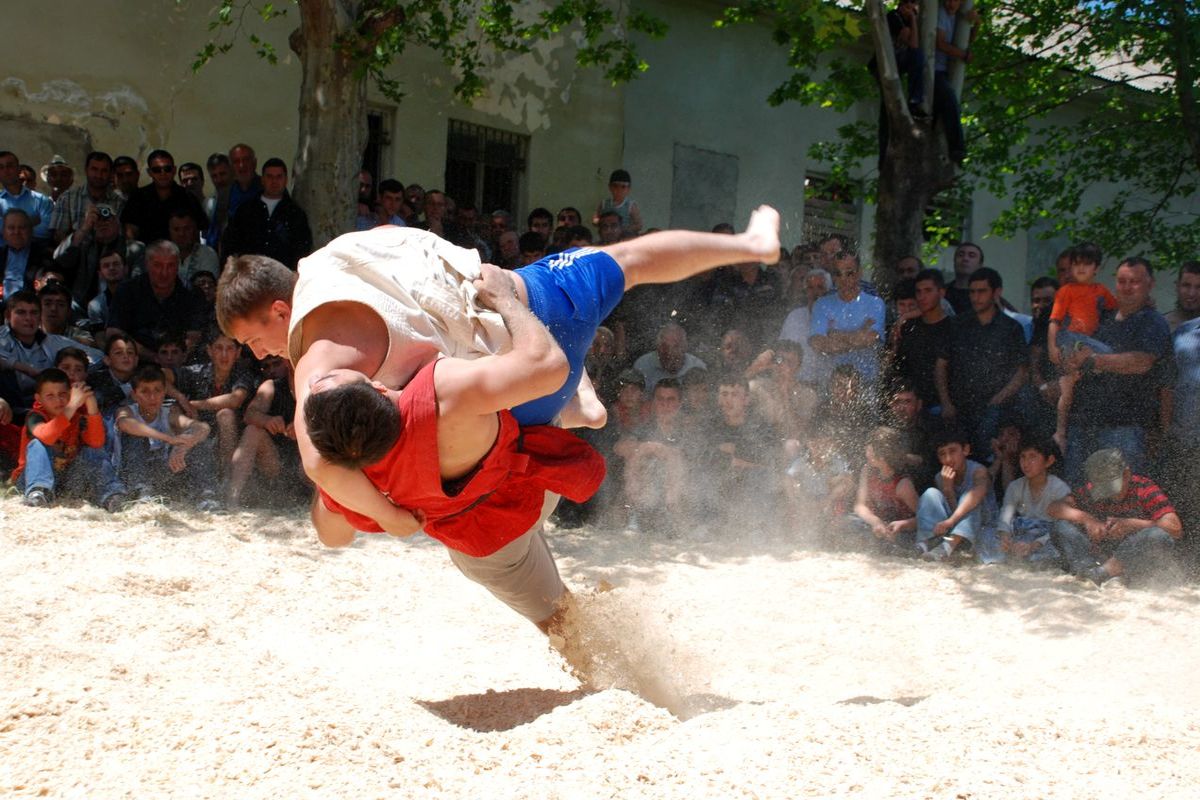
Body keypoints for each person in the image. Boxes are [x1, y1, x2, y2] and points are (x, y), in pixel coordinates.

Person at [217, 208, 782, 531]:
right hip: (527, 304)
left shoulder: (312, 360)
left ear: (280, 310)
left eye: (253, 339)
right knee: (630, 259)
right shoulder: (342, 254)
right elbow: (402, 238)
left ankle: (573, 396)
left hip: (517, 393)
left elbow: (321, 467)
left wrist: (393, 519)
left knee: (506, 381)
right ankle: (753, 245)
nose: (260, 353)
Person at [1060, 257, 1172, 484]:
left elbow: (1141, 362)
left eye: (1135, 282)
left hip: (1125, 428)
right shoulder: (1102, 319)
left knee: (1119, 502)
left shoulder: (1152, 321)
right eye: (1122, 281)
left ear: (1150, 285)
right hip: (1083, 425)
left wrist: (1092, 360)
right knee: (1078, 498)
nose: (1127, 287)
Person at [1049, 448, 1182, 586]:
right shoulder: (1089, 490)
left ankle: (1101, 573)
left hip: (1133, 557)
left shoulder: (1144, 487)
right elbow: (1054, 508)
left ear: (1126, 474)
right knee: (1060, 526)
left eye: (1112, 486)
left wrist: (1133, 524)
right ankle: (1091, 570)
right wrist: (1088, 520)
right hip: (1099, 555)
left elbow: (1175, 528)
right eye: (1104, 488)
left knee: (1157, 535)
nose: (1110, 494)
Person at [934, 267, 1028, 462]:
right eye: (972, 291)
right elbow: (941, 365)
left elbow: (1022, 370)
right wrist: (945, 402)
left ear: (997, 292)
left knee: (990, 461)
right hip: (959, 408)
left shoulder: (1011, 328)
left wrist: (998, 399)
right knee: (957, 462)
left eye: (982, 291)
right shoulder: (957, 325)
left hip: (994, 410)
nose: (976, 297)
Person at [10, 367, 125, 510]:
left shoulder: (78, 417)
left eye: (63, 394)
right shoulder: (35, 416)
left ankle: (112, 496)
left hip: (66, 480)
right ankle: (38, 493)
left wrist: (91, 404)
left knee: (93, 451)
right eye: (50, 396)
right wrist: (71, 406)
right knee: (38, 444)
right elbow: (46, 436)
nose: (58, 400)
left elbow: (96, 443)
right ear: (39, 399)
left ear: (71, 394)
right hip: (31, 479)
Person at [116, 365, 221, 509]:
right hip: (131, 474)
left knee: (196, 442)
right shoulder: (127, 411)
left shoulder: (169, 415)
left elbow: (203, 427)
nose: (152, 397)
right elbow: (125, 423)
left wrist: (183, 447)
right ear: (134, 395)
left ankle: (206, 496)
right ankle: (140, 494)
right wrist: (168, 438)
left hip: (162, 473)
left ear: (165, 392)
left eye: (157, 391)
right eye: (145, 391)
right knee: (137, 437)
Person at [1046, 243, 1118, 453]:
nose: (1080, 269)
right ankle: (1060, 431)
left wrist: (1146, 303)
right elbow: (1054, 321)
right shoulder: (1065, 291)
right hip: (1070, 339)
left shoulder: (1100, 291)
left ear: (1096, 268)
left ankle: (1061, 432)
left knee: (1068, 388)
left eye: (1086, 264)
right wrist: (1052, 347)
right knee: (1107, 356)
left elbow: (1117, 308)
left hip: (1086, 343)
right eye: (1076, 264)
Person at [227, 355, 303, 508]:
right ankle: (232, 498)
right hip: (275, 463)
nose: (272, 370)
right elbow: (249, 415)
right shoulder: (271, 386)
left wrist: (303, 428)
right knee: (252, 431)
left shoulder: (318, 386)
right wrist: (267, 420)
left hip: (308, 465)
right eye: (267, 366)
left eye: (276, 364)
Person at [915, 424, 997, 561]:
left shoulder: (979, 471)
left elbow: (976, 496)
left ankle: (945, 548)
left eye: (952, 451)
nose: (948, 459)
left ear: (965, 450)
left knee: (970, 498)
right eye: (942, 454)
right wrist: (948, 490)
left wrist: (951, 521)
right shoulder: (940, 477)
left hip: (982, 524)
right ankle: (924, 544)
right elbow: (951, 509)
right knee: (931, 493)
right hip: (954, 525)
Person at [221, 158, 312, 271]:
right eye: (270, 176)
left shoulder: (295, 214)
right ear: (262, 179)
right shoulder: (246, 210)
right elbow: (231, 245)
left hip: (282, 278)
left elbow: (302, 250)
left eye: (279, 177)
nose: (274, 181)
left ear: (286, 180)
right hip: (250, 276)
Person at [995, 436, 1069, 566]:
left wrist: (1034, 545)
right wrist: (1005, 538)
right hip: (1021, 536)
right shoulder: (1015, 486)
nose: (1026, 463)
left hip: (1046, 539)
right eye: (1023, 457)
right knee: (988, 537)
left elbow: (1062, 527)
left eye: (1032, 457)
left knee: (1053, 553)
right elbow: (1005, 517)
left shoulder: (1059, 488)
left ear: (1049, 461)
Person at [846, 426, 919, 553]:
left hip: (899, 531)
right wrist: (876, 522)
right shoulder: (868, 470)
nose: (866, 451)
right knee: (847, 522)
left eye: (870, 449)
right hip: (876, 525)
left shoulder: (902, 485)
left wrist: (902, 525)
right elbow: (859, 505)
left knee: (895, 542)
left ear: (882, 458)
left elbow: (924, 519)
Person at [890, 267, 951, 410]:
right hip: (909, 406)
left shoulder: (954, 327)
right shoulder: (905, 327)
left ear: (941, 292)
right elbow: (896, 367)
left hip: (941, 406)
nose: (922, 296)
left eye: (928, 291)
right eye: (918, 292)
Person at [120, 150, 207, 245]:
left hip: (181, 253)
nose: (163, 173)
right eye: (157, 170)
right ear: (150, 172)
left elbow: (196, 232)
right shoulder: (138, 197)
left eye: (167, 169)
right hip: (147, 254)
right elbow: (130, 232)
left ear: (174, 170)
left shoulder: (188, 197)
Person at [933, 0, 980, 163]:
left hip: (945, 70)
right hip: (934, 70)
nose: (950, 3)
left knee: (943, 108)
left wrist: (976, 24)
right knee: (950, 100)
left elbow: (969, 39)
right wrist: (963, 55)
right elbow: (940, 43)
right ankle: (957, 148)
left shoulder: (959, 18)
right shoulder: (940, 13)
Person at [48, 151, 125, 245]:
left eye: (104, 171)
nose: (99, 175)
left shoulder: (119, 202)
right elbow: (58, 238)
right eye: (94, 169)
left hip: (108, 253)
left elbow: (123, 237)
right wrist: (85, 227)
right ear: (86, 170)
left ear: (111, 174)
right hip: (75, 254)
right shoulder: (67, 198)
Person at [778, 267, 833, 388]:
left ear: (828, 291)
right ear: (805, 291)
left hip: (828, 387)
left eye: (820, 287)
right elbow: (781, 351)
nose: (815, 292)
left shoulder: (836, 319)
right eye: (810, 288)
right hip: (797, 386)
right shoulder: (794, 317)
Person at [0, 151, 54, 244]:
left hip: (35, 255)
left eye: (10, 166)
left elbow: (48, 229)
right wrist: (31, 224)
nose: (6, 170)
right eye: (0, 167)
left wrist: (9, 230)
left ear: (18, 169)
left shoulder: (41, 201)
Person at [1, 209, 53, 299]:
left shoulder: (43, 254)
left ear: (31, 231)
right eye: (11, 228)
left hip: (30, 304)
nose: (16, 232)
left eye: (22, 227)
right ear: (4, 232)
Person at [593, 169, 642, 237]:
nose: (619, 190)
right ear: (610, 187)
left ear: (628, 189)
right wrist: (603, 225)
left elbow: (639, 225)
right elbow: (595, 220)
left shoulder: (630, 205)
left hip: (624, 239)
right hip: (606, 238)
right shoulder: (604, 204)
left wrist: (622, 230)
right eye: (615, 186)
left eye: (623, 187)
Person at [1164, 260, 1200, 333]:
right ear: (1177, 286)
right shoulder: (1160, 325)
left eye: (1199, 287)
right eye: (1186, 285)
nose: (1191, 293)